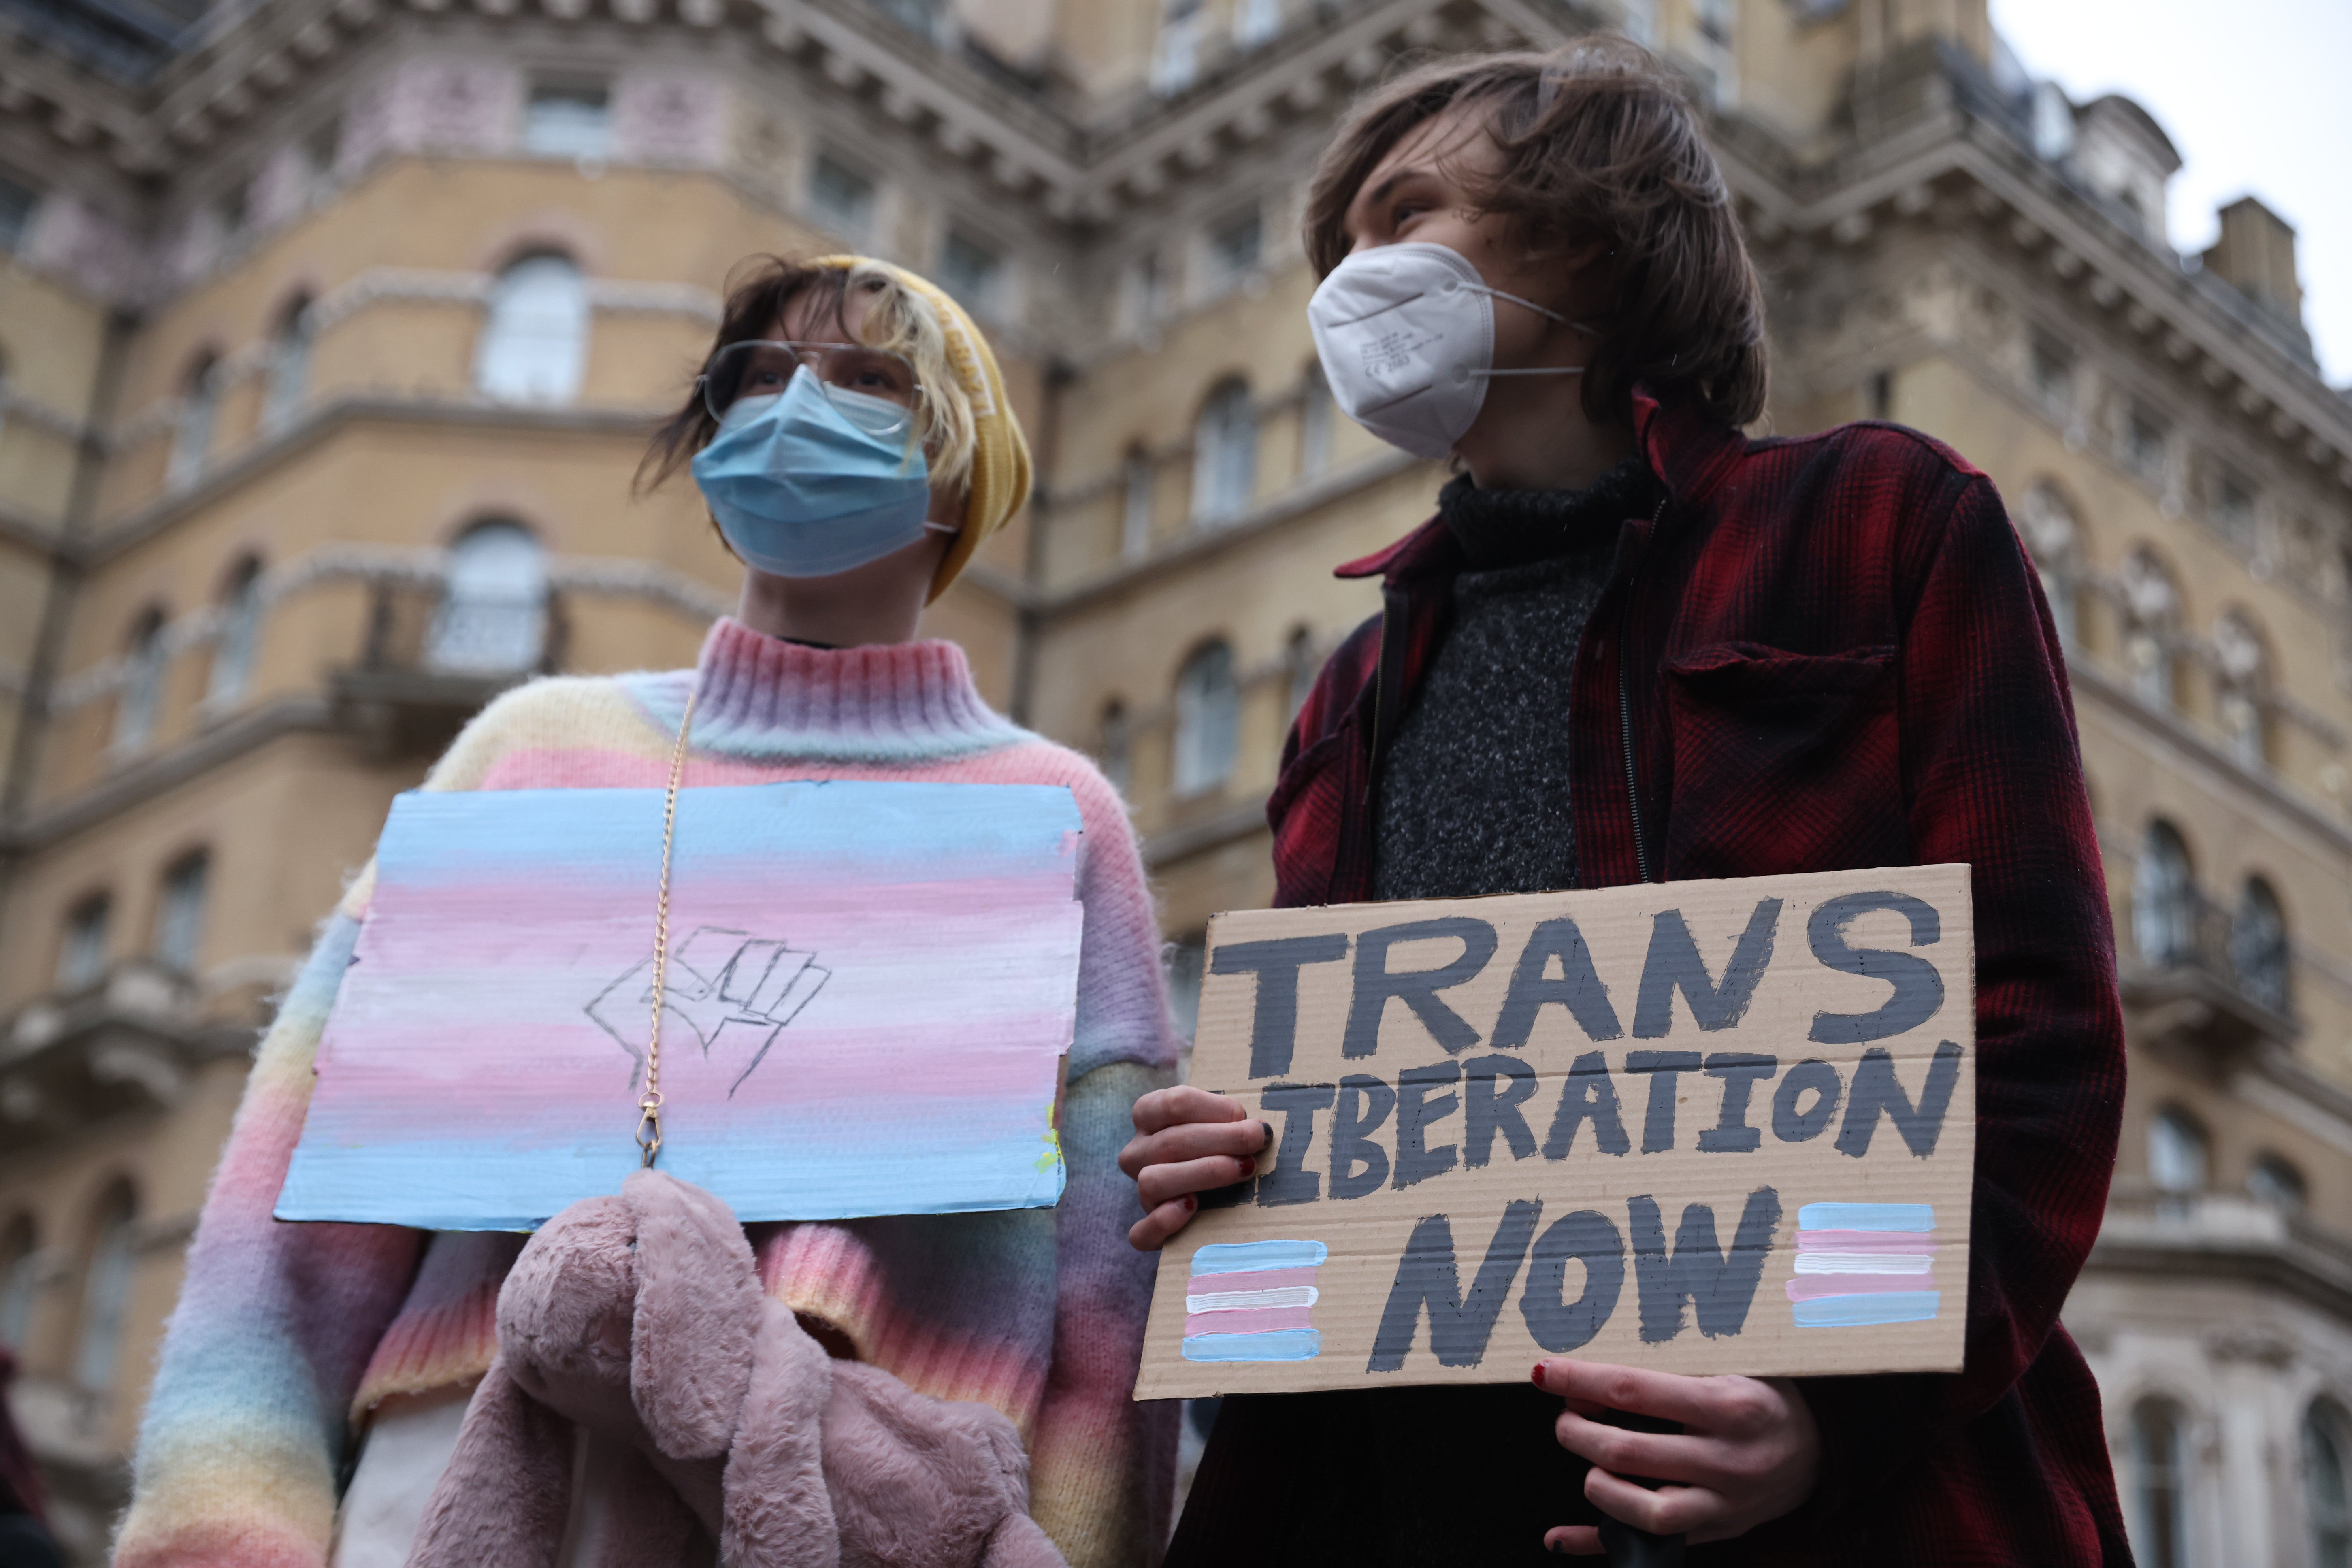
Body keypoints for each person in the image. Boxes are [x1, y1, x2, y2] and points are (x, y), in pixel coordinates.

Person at [1121, 40, 2130, 1566]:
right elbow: (1350, 1128)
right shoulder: (1344, 693)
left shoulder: (1880, 523)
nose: (1355, 285)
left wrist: (1826, 1412)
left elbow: (2035, 1027)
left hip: (1844, 1514)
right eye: (1340, 253)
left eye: (1406, 217)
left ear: (1592, 227)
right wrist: (1233, 1155)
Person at [115, 255, 1178, 1568]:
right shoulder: (531, 748)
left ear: (964, 470)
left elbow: (1108, 1297)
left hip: (880, 1504)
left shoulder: (1058, 817)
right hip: (458, 1476)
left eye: (867, 381)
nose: (798, 406)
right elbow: (293, 1195)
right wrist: (226, 1524)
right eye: (760, 377)